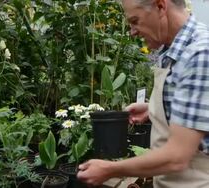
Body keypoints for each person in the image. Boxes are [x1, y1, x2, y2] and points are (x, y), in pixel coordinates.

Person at [77, 0, 209, 187]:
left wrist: (109, 169)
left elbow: (177, 157)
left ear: (161, 6)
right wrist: (153, 108)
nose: (132, 31)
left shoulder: (200, 53)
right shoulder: (173, 50)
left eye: (135, 20)